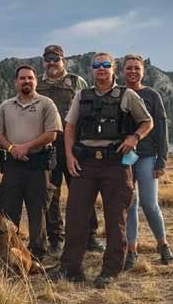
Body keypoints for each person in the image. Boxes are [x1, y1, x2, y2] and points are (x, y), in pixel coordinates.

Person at [54, 52, 153, 288]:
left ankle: (110, 271)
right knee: (76, 217)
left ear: (113, 69)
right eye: (97, 65)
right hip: (85, 164)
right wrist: (69, 156)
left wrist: (134, 137)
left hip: (116, 165)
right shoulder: (82, 95)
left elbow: (148, 122)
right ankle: (70, 269)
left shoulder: (127, 95)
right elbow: (69, 126)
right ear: (92, 69)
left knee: (116, 219)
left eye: (106, 65)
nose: (101, 68)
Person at [0, 64, 61, 261]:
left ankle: (37, 254)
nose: (26, 81)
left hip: (38, 164)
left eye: (30, 78)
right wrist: (13, 149)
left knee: (38, 210)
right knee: (7, 210)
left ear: (36, 81)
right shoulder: (6, 106)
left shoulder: (46, 104)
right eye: (22, 78)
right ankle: (9, 252)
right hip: (13, 164)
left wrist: (26, 147)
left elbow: (52, 134)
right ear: (16, 82)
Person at [38, 44, 94, 255]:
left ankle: (89, 236)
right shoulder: (37, 83)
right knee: (51, 194)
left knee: (82, 191)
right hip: (47, 145)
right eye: (48, 59)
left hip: (74, 145)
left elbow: (89, 110)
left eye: (56, 59)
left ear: (64, 61)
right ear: (44, 62)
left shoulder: (76, 82)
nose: (52, 63)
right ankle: (55, 239)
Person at [121, 54, 173, 270]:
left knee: (150, 204)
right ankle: (131, 250)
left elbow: (161, 128)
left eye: (137, 68)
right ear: (122, 71)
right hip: (124, 158)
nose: (133, 72)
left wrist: (161, 160)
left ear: (143, 71)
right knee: (129, 205)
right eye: (129, 68)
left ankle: (162, 244)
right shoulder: (119, 94)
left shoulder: (152, 95)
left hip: (147, 156)